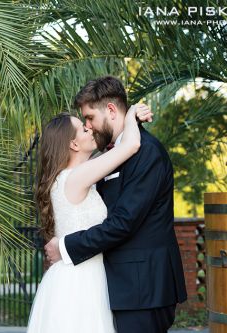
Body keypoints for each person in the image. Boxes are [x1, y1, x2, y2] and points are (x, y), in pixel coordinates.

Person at [44, 76, 187, 333]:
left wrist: (66, 246)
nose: (89, 126)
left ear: (110, 110)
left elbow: (123, 222)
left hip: (144, 289)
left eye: (90, 118)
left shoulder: (147, 153)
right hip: (117, 287)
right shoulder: (108, 157)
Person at [27, 101, 151, 333]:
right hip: (80, 281)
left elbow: (115, 150)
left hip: (75, 274)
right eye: (83, 129)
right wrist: (132, 112)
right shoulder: (77, 177)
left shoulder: (73, 175)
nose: (90, 128)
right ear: (73, 144)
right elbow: (131, 144)